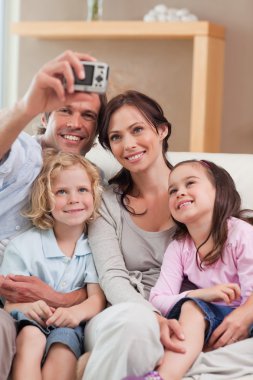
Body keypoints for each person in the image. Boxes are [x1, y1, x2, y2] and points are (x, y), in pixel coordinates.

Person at [80, 90, 253, 380]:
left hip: (196, 321)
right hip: (130, 313)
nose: (129, 144)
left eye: (137, 130)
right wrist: (153, 317)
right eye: (116, 137)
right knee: (136, 326)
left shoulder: (200, 191)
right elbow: (112, 276)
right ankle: (184, 363)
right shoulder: (106, 204)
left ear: (161, 130)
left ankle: (175, 368)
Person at [0, 49, 106, 380]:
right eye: (65, 110)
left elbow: (97, 279)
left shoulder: (93, 183)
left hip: (53, 313)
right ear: (45, 117)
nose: (76, 124)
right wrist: (26, 106)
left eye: (88, 116)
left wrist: (59, 299)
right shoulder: (22, 154)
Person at [127, 159, 253, 380]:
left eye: (190, 183)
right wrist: (200, 294)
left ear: (218, 191)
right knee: (192, 308)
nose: (179, 193)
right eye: (173, 190)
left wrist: (243, 315)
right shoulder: (179, 248)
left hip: (248, 315)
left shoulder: (240, 233)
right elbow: (157, 299)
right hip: (215, 322)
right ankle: (161, 377)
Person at [0, 149, 106, 380]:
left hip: (71, 324)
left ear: (94, 194)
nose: (74, 199)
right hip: (29, 323)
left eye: (82, 190)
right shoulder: (23, 247)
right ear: (46, 199)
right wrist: (27, 308)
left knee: (64, 348)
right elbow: (9, 306)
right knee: (31, 337)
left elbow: (97, 298)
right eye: (61, 192)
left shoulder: (94, 247)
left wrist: (76, 313)